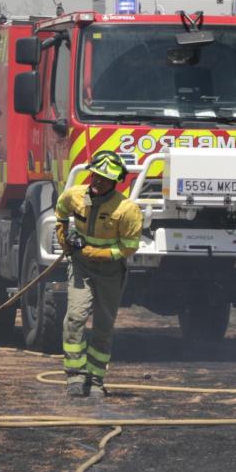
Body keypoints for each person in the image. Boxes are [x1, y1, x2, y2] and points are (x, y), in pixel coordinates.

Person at [55, 149, 142, 397]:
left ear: (116, 181)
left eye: (105, 178)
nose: (98, 181)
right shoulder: (75, 195)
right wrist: (64, 235)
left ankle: (95, 380)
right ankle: (75, 376)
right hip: (81, 267)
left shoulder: (127, 210)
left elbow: (129, 247)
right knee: (75, 318)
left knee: (103, 326)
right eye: (95, 175)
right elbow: (61, 209)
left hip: (110, 272)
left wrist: (98, 253)